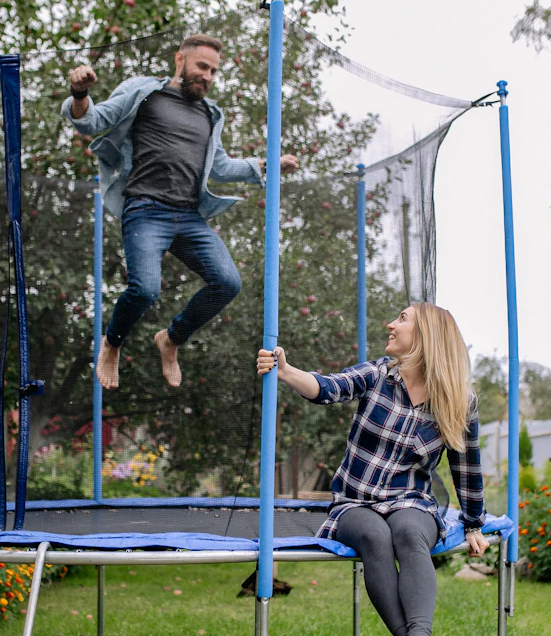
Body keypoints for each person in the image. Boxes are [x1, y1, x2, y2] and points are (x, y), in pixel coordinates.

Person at [64, 34, 298, 390]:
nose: (207, 76)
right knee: (144, 290)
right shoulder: (145, 94)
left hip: (188, 217)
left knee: (227, 283)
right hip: (145, 211)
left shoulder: (209, 114)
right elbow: (90, 121)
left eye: (213, 71)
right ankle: (112, 343)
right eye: (201, 66)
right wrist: (80, 94)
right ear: (180, 61)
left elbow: (220, 166)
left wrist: (267, 166)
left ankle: (171, 339)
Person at [256, 303, 487, 636]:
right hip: (354, 502)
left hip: (411, 501)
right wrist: (286, 371)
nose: (390, 324)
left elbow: (467, 467)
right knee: (375, 535)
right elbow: (327, 387)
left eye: (402, 319)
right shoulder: (378, 374)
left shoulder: (458, 400)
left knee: (409, 533)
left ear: (425, 336)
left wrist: (473, 523)